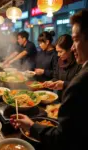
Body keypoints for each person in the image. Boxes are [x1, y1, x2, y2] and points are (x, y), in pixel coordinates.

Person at [10, 9, 88, 150]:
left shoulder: (80, 80)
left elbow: (62, 138)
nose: (72, 48)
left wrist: (31, 125)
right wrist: (61, 83)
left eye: (76, 40)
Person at [43, 34, 81, 101]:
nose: (58, 55)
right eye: (57, 51)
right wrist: (51, 82)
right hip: (61, 99)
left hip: (75, 101)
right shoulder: (60, 61)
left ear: (70, 49)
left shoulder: (79, 63)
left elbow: (81, 85)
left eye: (60, 52)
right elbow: (56, 77)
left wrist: (64, 84)